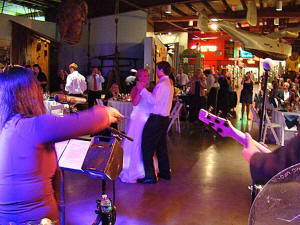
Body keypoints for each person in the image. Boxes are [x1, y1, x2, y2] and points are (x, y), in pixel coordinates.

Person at [0, 65, 123, 224]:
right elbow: (80, 122)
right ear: (29, 94)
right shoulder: (33, 126)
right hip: (35, 218)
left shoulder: (7, 126)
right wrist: (106, 113)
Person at [136, 61, 174, 184]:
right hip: (164, 118)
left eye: (157, 69)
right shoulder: (169, 82)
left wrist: (142, 90)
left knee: (147, 145)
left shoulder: (162, 83)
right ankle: (164, 172)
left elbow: (153, 101)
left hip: (157, 119)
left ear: (161, 70)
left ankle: (150, 176)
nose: (156, 71)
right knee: (161, 146)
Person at [119, 69, 152, 183]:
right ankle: (134, 169)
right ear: (139, 77)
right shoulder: (136, 88)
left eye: (148, 75)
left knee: (143, 142)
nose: (147, 78)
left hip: (145, 119)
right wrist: (139, 90)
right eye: (145, 76)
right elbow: (135, 103)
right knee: (136, 142)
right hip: (138, 119)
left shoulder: (146, 88)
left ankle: (144, 168)